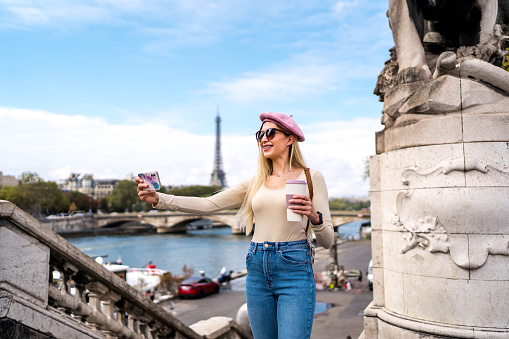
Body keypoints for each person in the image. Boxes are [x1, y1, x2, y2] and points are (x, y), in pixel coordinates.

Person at [136, 112, 334, 339]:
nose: (263, 139)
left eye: (270, 132)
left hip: (294, 269)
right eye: (260, 134)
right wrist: (159, 199)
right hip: (257, 267)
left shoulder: (311, 177)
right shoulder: (257, 181)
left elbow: (328, 241)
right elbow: (208, 204)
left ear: (291, 138)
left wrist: (314, 217)